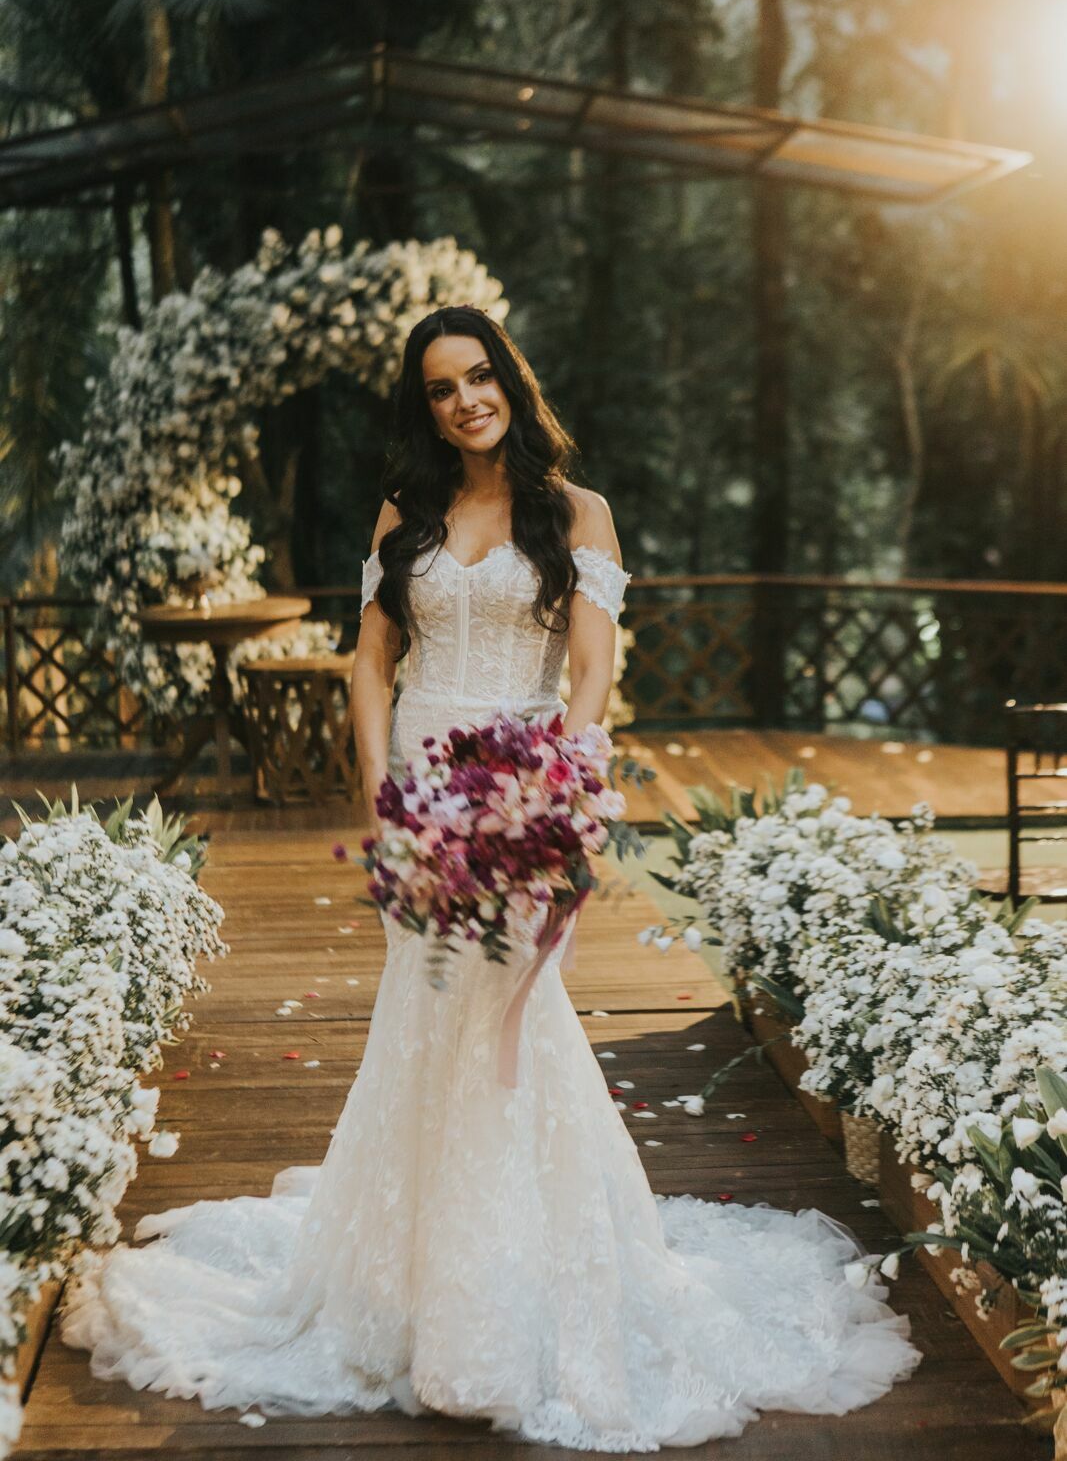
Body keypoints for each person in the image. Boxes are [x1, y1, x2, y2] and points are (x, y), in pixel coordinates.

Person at [61, 306, 920, 1451]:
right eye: (438, 387)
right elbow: (369, 661)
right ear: (421, 407)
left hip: (517, 783)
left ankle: (502, 1292)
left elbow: (591, 671)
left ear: (508, 380)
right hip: (420, 779)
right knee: (423, 1018)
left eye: (477, 376)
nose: (463, 399)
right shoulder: (404, 513)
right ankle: (413, 1286)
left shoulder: (578, 513)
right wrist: (384, 798)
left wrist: (547, 791)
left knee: (508, 1016)